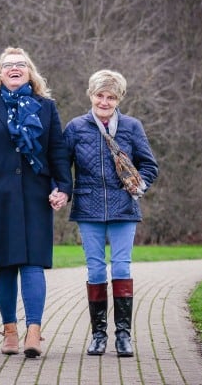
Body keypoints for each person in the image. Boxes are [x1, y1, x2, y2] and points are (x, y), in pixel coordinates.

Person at [0, 47, 72, 358]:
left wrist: (63, 187)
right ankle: (9, 329)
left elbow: (58, 150)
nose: (14, 68)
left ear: (30, 71)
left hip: (36, 194)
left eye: (20, 64)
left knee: (34, 263)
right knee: (5, 265)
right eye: (8, 65)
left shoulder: (46, 107)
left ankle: (33, 331)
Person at [63, 69, 158, 357]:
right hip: (88, 207)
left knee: (121, 268)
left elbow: (149, 165)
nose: (104, 102)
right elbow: (61, 167)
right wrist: (59, 191)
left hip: (123, 208)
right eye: (100, 95)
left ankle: (123, 336)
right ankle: (99, 335)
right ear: (91, 95)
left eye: (111, 97)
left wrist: (138, 184)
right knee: (94, 270)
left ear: (119, 99)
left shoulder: (132, 127)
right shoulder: (75, 127)